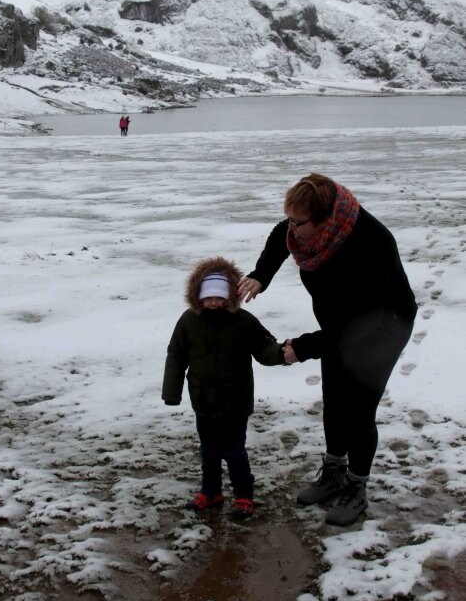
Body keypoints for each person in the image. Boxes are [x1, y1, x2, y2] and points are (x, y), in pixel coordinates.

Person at [238, 173, 417, 526]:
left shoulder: (372, 243)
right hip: (338, 324)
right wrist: (262, 274)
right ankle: (334, 471)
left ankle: (356, 487)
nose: (293, 228)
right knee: (334, 394)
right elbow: (281, 237)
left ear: (325, 219)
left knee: (359, 406)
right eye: (290, 217)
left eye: (299, 222)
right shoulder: (306, 230)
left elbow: (357, 325)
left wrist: (302, 347)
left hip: (383, 325)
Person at [162, 256, 288, 519]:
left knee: (234, 450)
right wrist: (172, 392)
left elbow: (264, 348)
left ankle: (243, 495)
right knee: (208, 450)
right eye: (208, 298)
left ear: (231, 296)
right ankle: (211, 492)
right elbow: (176, 355)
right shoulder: (188, 321)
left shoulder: (244, 321)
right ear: (198, 296)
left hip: (235, 400)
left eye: (220, 298)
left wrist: (281, 353)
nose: (214, 303)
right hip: (203, 399)